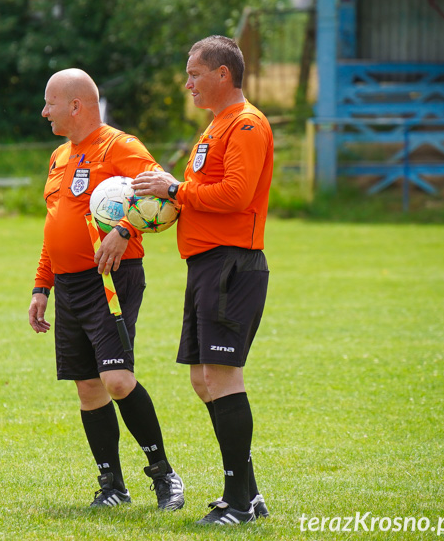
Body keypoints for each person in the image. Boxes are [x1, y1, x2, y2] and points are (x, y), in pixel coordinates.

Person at [132, 35, 274, 526]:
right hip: (206, 267)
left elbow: (236, 195)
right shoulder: (216, 126)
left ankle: (238, 503)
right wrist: (170, 199)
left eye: (195, 73)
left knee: (222, 377)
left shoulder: (247, 123)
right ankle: (249, 494)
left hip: (233, 264)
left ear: (223, 75)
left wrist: (173, 188)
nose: (188, 82)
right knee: (202, 379)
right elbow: (203, 191)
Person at [28, 68, 185, 511]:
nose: (44, 111)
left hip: (110, 280)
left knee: (116, 379)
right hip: (70, 285)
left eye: (50, 102)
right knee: (88, 388)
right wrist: (43, 285)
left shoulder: (120, 146)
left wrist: (122, 228)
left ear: (75, 105)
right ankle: (112, 486)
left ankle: (164, 475)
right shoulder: (60, 156)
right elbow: (54, 226)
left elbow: (164, 195)